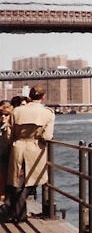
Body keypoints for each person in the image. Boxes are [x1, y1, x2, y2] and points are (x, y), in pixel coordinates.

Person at [2, 86, 55, 223]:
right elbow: (47, 136)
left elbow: (9, 135)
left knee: (16, 180)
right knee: (33, 180)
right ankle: (16, 211)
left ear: (30, 96)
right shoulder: (48, 113)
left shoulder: (17, 111)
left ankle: (14, 210)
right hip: (35, 148)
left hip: (18, 147)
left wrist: (10, 146)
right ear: (43, 97)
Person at [0, 103, 12, 203]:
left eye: (6, 115)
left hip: (9, 155)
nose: (3, 117)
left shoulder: (11, 128)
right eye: (1, 114)